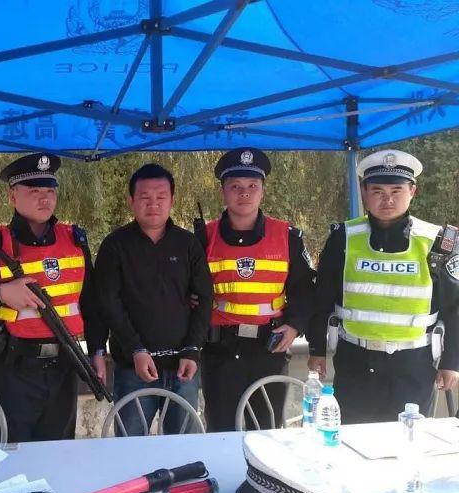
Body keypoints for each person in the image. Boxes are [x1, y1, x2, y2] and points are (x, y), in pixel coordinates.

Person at [0, 153, 105, 443]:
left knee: (58, 454)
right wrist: (1, 293)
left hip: (65, 366)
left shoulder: (75, 240)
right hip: (10, 370)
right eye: (34, 191)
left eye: (50, 191)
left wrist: (97, 352)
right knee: (7, 455)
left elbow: (91, 303)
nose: (44, 198)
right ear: (12, 196)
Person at [307, 149, 459, 423]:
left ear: (412, 191)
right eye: (377, 191)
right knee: (353, 440)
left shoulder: (438, 242)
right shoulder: (343, 238)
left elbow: (455, 308)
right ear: (364, 192)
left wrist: (452, 363)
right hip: (355, 363)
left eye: (396, 191)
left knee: (407, 442)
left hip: (414, 366)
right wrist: (316, 349)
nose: (387, 199)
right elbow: (322, 298)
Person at [196, 148, 315, 432]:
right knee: (221, 432)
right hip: (220, 352)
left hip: (269, 350)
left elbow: (305, 289)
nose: (244, 193)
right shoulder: (203, 238)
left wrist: (294, 326)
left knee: (268, 432)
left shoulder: (287, 236)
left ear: (262, 191)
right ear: (223, 192)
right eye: (235, 187)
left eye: (252, 186)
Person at [94, 163, 213, 436]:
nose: (153, 204)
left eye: (161, 196)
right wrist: (135, 348)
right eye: (145, 197)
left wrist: (192, 350)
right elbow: (108, 302)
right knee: (130, 448)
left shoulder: (188, 244)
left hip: (183, 369)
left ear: (172, 200)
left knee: (183, 449)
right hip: (133, 369)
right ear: (131, 201)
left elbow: (205, 299)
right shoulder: (115, 245)